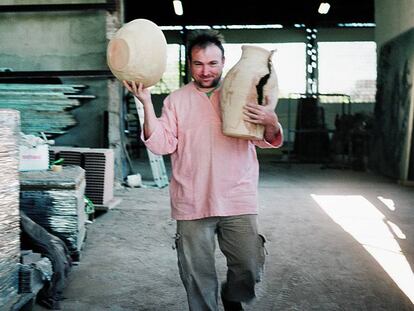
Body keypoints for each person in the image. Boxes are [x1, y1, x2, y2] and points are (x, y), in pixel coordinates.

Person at [123, 29, 283, 311]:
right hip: (192, 199)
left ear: (224, 62)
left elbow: (265, 139)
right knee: (196, 274)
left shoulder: (242, 91)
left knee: (248, 263)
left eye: (212, 63)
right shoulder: (176, 101)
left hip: (237, 197)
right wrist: (146, 102)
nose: (205, 71)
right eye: (198, 63)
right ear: (190, 64)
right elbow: (161, 144)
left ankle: (233, 297)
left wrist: (271, 121)